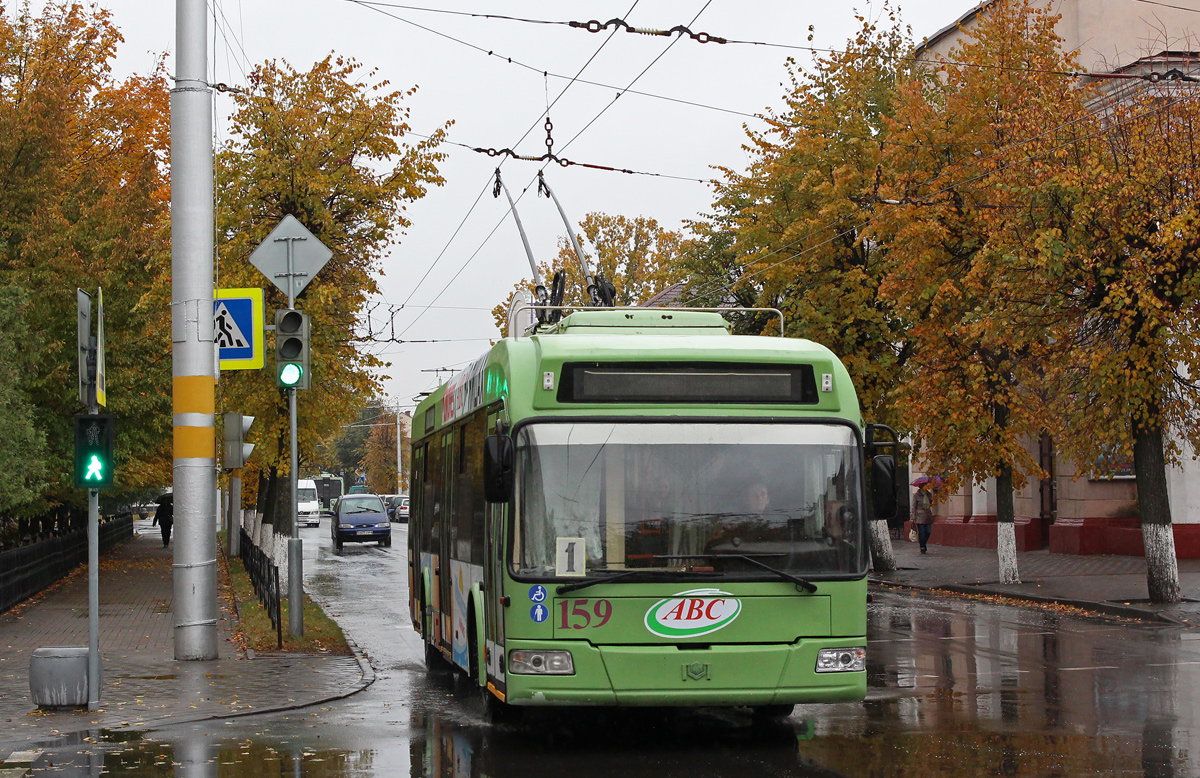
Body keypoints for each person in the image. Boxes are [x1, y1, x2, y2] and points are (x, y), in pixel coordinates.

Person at [912, 481, 934, 554]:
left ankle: (923, 543)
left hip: (927, 516)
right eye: (924, 486)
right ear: (921, 487)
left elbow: (931, 504)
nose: (926, 487)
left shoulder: (929, 494)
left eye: (926, 486)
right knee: (922, 532)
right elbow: (914, 507)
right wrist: (913, 517)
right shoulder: (916, 495)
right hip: (919, 517)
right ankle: (922, 546)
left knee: (928, 532)